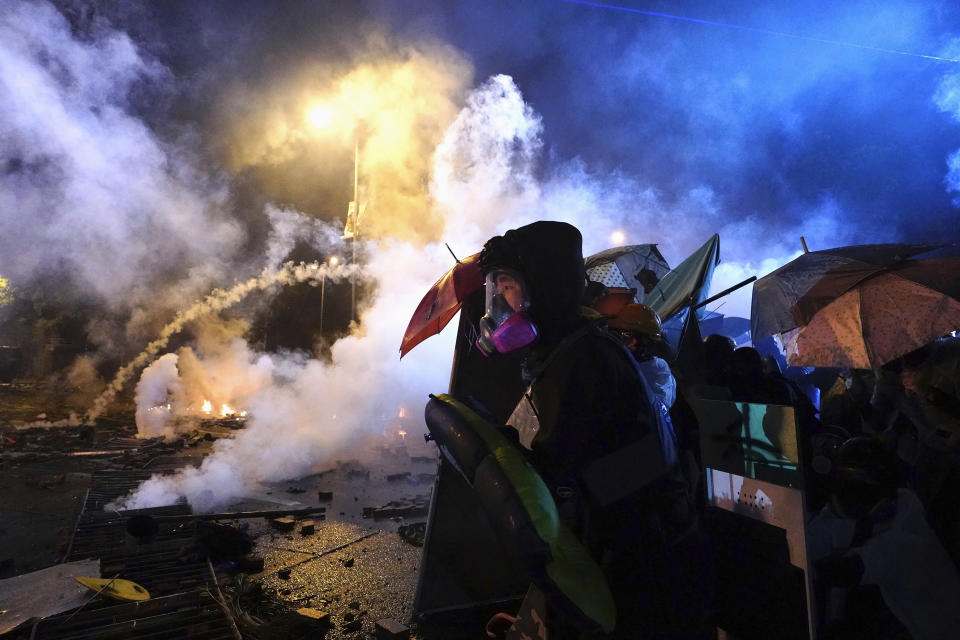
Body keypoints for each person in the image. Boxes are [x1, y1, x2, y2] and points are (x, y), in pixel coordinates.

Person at [478, 220, 712, 639]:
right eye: (496, 287)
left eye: (508, 285)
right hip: (629, 555)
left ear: (543, 288)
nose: (499, 298)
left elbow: (568, 470)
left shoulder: (586, 359)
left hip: (646, 568)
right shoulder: (567, 352)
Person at [607, 302, 677, 409]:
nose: (618, 340)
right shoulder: (657, 367)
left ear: (644, 342)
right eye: (614, 332)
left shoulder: (655, 372)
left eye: (625, 335)